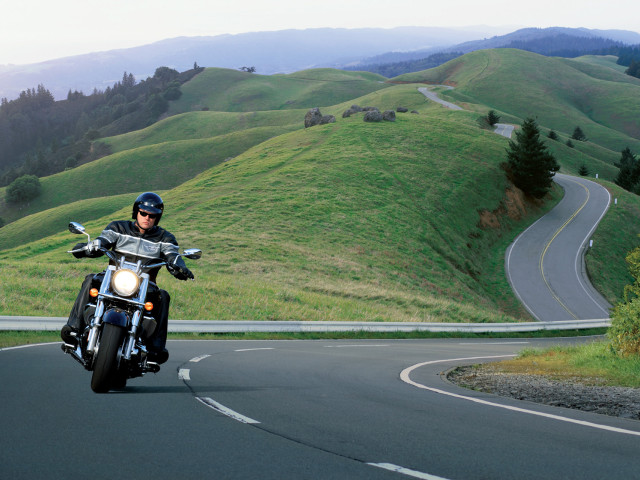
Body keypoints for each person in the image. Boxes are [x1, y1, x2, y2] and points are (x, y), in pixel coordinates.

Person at [60, 192, 194, 363]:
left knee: (163, 296)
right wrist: (92, 246)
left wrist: (179, 266)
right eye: (143, 213)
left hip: (145, 287)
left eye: (152, 215)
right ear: (136, 212)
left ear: (157, 217)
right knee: (91, 279)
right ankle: (74, 327)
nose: (147, 218)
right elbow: (103, 240)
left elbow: (172, 254)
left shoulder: (164, 238)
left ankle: (156, 347)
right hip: (113, 281)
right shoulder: (118, 228)